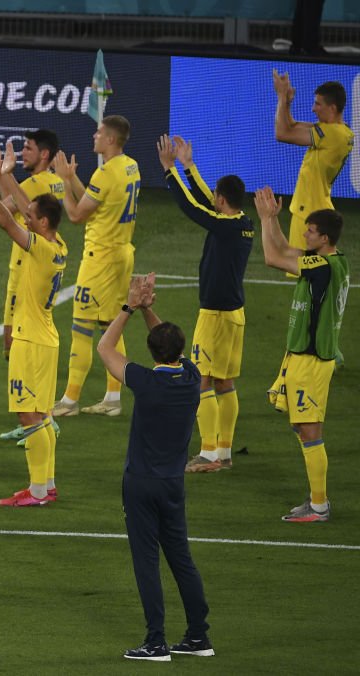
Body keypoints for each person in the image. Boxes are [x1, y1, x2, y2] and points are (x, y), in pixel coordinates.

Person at [97, 274, 213, 662]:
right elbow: (167, 346)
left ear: (152, 352)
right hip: (172, 484)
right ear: (179, 351)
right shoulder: (192, 378)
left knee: (146, 561)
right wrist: (150, 311)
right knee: (181, 558)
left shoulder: (145, 382)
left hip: (141, 483)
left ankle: (156, 642)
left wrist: (130, 307)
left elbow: (105, 347)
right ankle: (198, 636)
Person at [0, 153, 67, 507]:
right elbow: (20, 210)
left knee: (29, 416)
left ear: (42, 222)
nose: (26, 215)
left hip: (31, 341)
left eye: (31, 215)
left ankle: (36, 492)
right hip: (47, 339)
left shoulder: (38, 249)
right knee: (42, 415)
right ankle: (47, 485)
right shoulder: (59, 245)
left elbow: (5, 221)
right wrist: (4, 176)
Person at [157, 134, 253, 473]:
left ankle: (209, 453)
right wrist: (188, 166)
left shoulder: (225, 225)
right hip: (234, 314)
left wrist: (170, 172)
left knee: (201, 380)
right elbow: (204, 201)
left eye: (216, 195)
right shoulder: (242, 222)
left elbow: (192, 207)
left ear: (222, 199)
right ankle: (224, 451)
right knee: (225, 382)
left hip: (214, 316)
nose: (213, 198)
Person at [255, 187, 349, 523]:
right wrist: (273, 220)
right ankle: (316, 499)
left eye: (310, 231)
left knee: (310, 430)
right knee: (303, 426)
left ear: (323, 238)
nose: (305, 233)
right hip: (308, 357)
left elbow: (271, 257)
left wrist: (265, 220)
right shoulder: (330, 260)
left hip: (311, 360)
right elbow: (284, 248)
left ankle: (319, 506)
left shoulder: (321, 267)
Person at [51, 115, 141, 418]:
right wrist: (74, 179)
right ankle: (113, 398)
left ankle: (69, 400)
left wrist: (64, 181)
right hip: (122, 254)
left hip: (100, 258)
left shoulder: (106, 174)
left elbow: (77, 215)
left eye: (99, 133)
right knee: (111, 326)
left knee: (81, 327)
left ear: (111, 140)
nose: (95, 136)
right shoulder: (131, 166)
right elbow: (95, 201)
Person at [0, 133, 66, 444]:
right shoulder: (54, 183)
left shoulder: (33, 188)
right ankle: (37, 415)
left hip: (26, 272)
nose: (23, 152)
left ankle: (35, 418)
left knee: (11, 341)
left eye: (29, 148)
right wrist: (4, 174)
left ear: (44, 153)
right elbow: (19, 205)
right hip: (37, 280)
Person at [272, 73, 352, 254]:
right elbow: (291, 125)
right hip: (317, 207)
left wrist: (280, 95)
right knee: (313, 270)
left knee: (302, 269)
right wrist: (286, 102)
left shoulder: (332, 135)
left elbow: (282, 133)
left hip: (309, 211)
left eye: (317, 104)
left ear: (332, 108)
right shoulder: (340, 130)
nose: (313, 109)